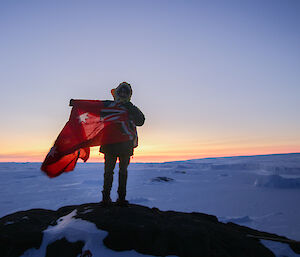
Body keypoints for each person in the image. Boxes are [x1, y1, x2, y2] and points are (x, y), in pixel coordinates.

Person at [100, 82, 145, 206]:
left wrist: (130, 107)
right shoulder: (109, 105)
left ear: (129, 94)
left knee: (123, 172)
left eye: (126, 92)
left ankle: (121, 198)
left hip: (125, 145)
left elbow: (140, 121)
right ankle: (105, 198)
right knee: (108, 172)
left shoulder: (131, 107)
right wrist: (76, 103)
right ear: (117, 93)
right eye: (121, 92)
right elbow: (91, 107)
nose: (123, 94)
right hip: (110, 144)